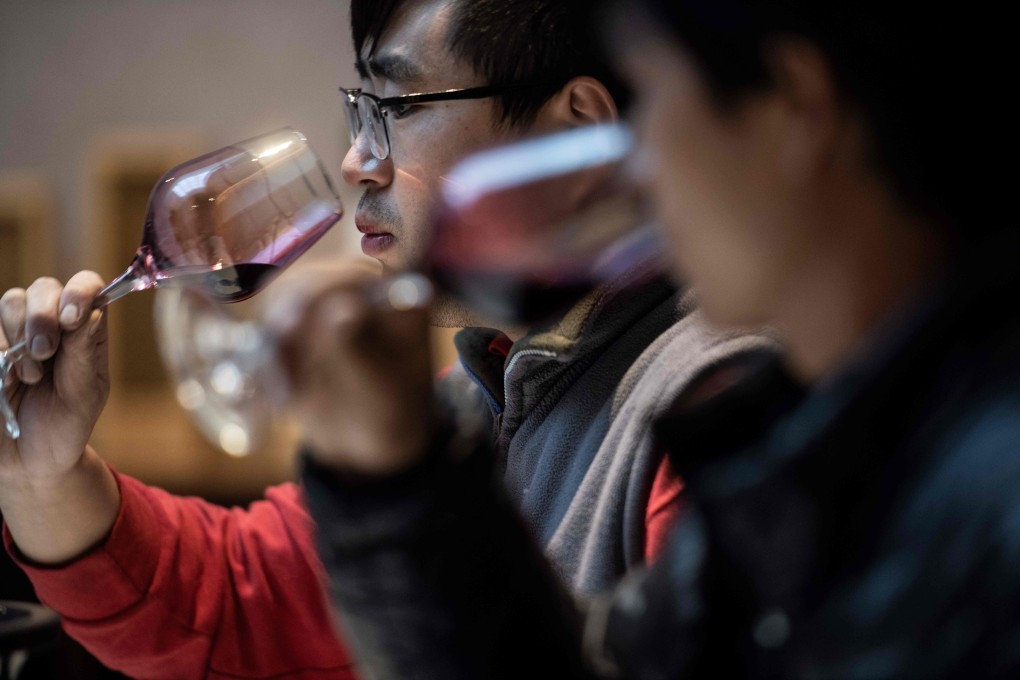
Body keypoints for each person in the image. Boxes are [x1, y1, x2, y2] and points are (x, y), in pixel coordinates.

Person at [0, 0, 773, 677]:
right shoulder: (484, 392)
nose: (353, 162)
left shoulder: (717, 414)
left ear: (577, 126)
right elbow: (243, 602)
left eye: (397, 107)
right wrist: (44, 477)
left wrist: (395, 481)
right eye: (358, 107)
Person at [294, 1, 1020, 679]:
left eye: (650, 93)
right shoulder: (829, 438)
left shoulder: (983, 497)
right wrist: (392, 480)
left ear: (797, 103)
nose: (636, 160)